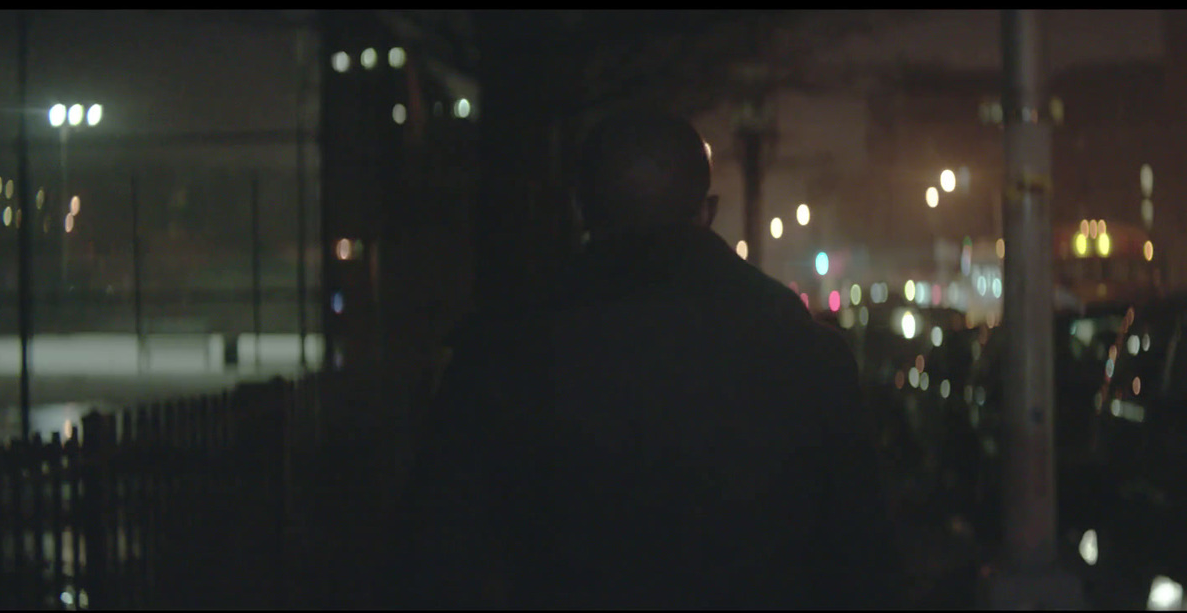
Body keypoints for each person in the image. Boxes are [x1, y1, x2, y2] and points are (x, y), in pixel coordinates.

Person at [384, 111, 900, 609]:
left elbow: (438, 554)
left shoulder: (502, 357)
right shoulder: (805, 357)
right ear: (708, 210)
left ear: (581, 209)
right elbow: (860, 560)